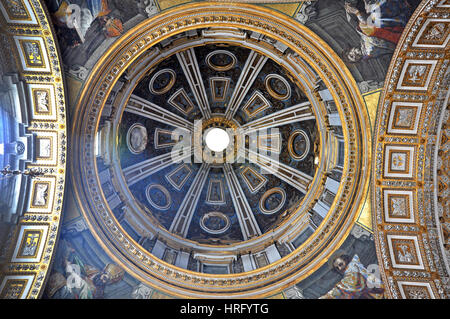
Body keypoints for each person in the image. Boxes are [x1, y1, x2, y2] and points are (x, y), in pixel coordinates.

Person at [344, 0, 413, 62]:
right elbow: (371, 32)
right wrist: (357, 13)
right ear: (358, 60)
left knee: (370, 11)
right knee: (376, 14)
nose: (355, 55)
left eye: (351, 55)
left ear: (351, 49)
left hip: (383, 28)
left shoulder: (363, 44)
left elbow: (366, 29)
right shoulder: (369, 52)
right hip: (394, 33)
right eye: (355, 58)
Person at [319, 252, 385, 299]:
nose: (340, 268)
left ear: (345, 259)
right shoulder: (355, 264)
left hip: (380, 293)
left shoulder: (352, 269)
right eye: (337, 268)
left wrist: (326, 297)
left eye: (340, 264)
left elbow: (342, 289)